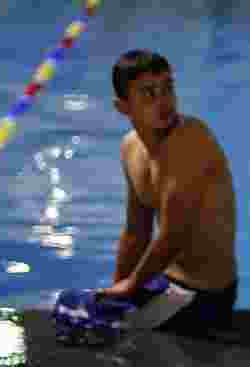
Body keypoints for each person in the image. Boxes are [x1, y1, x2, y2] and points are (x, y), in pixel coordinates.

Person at [98, 49, 239, 337]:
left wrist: (131, 286)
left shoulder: (190, 140)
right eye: (149, 93)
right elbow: (136, 231)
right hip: (165, 283)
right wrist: (119, 286)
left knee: (121, 333)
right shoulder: (131, 148)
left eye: (168, 88)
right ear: (123, 107)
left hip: (205, 294)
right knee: (90, 312)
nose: (164, 102)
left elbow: (174, 235)